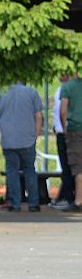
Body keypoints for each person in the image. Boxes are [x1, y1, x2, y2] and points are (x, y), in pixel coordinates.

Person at [0, 81, 44, 212]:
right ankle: (33, 203)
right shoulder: (32, 92)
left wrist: (3, 123)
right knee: (30, 170)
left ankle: (15, 203)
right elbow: (38, 116)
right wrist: (35, 134)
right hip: (28, 139)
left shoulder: (0, 93)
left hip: (8, 139)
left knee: (12, 171)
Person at [50, 73, 77, 209]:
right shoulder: (61, 90)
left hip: (66, 132)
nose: (59, 76)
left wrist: (64, 127)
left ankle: (67, 197)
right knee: (67, 166)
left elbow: (63, 112)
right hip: (61, 131)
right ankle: (65, 195)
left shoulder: (66, 90)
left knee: (68, 166)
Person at [59, 72, 82, 213]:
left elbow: (63, 111)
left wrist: (64, 128)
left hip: (75, 129)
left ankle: (79, 200)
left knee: (78, 165)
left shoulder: (68, 87)